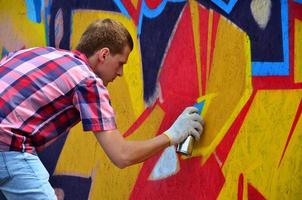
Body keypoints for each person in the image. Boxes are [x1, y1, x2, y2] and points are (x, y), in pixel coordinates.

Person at [0, 18, 204, 199]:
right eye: (120, 63)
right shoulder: (87, 82)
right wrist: (172, 135)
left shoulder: (36, 53)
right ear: (104, 55)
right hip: (8, 146)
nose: (121, 73)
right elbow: (121, 155)